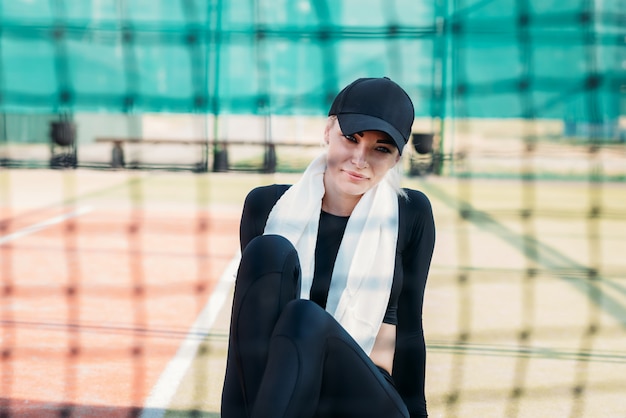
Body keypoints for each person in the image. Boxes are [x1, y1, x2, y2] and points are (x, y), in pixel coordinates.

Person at [221, 77, 435, 417]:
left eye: (381, 148)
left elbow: (410, 329)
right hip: (278, 387)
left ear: (396, 159)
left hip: (366, 395)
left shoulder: (409, 213)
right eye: (350, 138)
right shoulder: (266, 206)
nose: (360, 159)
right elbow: (247, 334)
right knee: (269, 253)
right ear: (327, 132)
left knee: (305, 316)